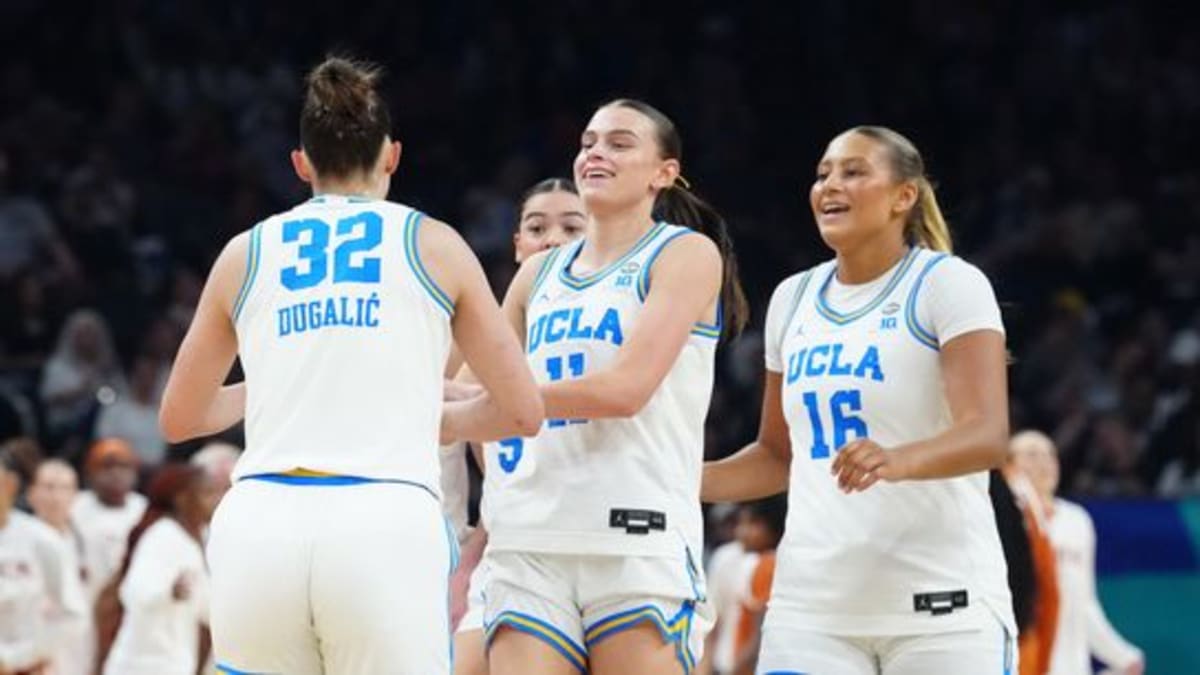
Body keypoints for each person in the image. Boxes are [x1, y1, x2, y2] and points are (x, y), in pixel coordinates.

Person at [157, 55, 542, 675]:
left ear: (301, 164)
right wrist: (432, 407)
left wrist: (294, 369)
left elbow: (180, 418)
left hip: (260, 524)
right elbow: (523, 411)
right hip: (382, 522)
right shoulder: (434, 243)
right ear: (391, 155)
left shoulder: (243, 251)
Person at [702, 126, 1015, 674]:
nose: (829, 185)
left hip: (940, 605)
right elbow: (777, 456)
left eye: (853, 171)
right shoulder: (791, 298)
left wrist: (899, 458)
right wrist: (671, 475)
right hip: (811, 611)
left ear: (904, 196)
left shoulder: (948, 284)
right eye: (823, 173)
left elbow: (987, 435)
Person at [453, 98, 749, 675]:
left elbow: (625, 389)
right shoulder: (539, 273)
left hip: (636, 535)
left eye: (619, 143)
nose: (595, 153)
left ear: (664, 173)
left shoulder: (685, 253)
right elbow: (469, 387)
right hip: (532, 536)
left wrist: (480, 410)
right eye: (589, 142)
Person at [449, 177, 586, 675]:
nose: (552, 239)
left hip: (595, 550)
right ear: (517, 245)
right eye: (537, 227)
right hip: (510, 557)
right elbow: (500, 483)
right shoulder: (467, 346)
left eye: (572, 227)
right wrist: (464, 563)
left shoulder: (604, 340)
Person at [1007, 430, 1145, 675]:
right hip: (1020, 659)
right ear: (1009, 465)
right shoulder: (1005, 521)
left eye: (1051, 454)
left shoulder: (1077, 520)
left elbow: (1085, 603)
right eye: (1031, 454)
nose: (1045, 462)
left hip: (1070, 665)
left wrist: (1122, 655)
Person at [101, 464, 220, 675]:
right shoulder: (162, 536)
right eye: (206, 493)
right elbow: (133, 592)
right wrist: (169, 591)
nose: (215, 501)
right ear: (182, 499)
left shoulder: (200, 537)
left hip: (176, 662)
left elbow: (206, 606)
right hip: (142, 665)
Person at [0, 447, 81, 675]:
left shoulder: (42, 540)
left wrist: (16, 658)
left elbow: (73, 615)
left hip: (29, 666)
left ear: (10, 484)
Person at [26, 459, 94, 675]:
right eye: (48, 487)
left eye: (64, 488)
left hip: (81, 655)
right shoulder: (17, 542)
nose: (55, 497)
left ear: (76, 495)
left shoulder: (85, 541)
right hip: (33, 658)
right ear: (31, 493)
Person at [70, 438, 147, 603]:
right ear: (89, 472)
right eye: (107, 467)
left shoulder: (143, 509)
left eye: (123, 466)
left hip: (130, 600)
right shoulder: (74, 507)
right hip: (86, 597)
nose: (116, 474)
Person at [727, 496, 787, 675]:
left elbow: (758, 638)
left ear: (774, 526)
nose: (742, 532)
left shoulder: (768, 565)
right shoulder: (764, 562)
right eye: (741, 522)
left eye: (753, 523)